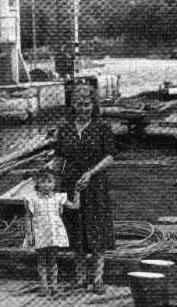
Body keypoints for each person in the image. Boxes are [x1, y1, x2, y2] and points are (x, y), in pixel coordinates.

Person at [49, 82, 115, 294]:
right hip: (71, 183)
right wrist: (51, 178)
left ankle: (98, 278)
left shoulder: (102, 127)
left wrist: (91, 173)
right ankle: (80, 277)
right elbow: (59, 157)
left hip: (95, 183)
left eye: (87, 104)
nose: (83, 108)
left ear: (93, 105)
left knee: (97, 227)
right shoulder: (65, 128)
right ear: (73, 105)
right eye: (79, 104)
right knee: (76, 228)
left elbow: (110, 156)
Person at [24, 172, 80, 297]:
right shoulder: (32, 199)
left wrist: (77, 192)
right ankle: (44, 285)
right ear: (37, 183)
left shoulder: (59, 197)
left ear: (54, 184)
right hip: (40, 231)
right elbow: (28, 217)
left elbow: (75, 206)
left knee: (53, 259)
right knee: (42, 259)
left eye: (49, 182)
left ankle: (54, 285)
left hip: (54, 231)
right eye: (43, 182)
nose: (46, 185)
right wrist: (29, 234)